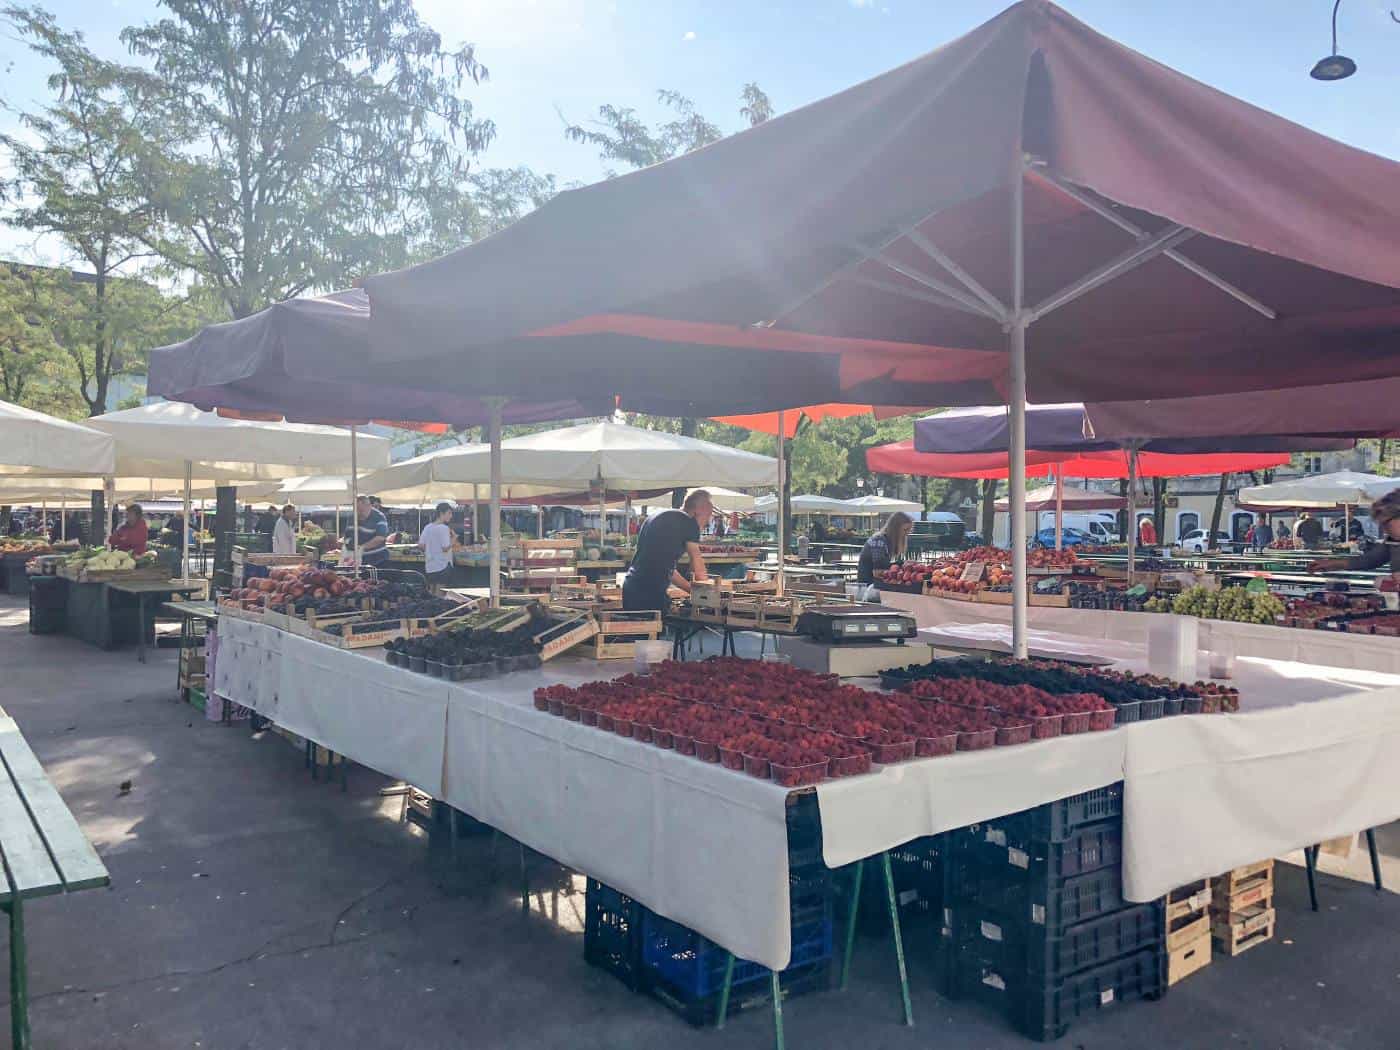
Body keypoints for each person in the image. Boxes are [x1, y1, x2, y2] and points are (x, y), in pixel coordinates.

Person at [622, 489, 712, 612]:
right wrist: (708, 595)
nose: (708, 522)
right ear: (699, 510)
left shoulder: (659, 516)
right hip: (650, 593)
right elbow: (698, 564)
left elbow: (667, 569)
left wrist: (691, 590)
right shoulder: (690, 523)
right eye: (708, 515)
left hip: (631, 588)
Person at [1311, 491, 1400, 578]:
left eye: (1386, 523)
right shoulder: (1393, 540)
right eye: (1381, 524)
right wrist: (1332, 563)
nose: (1384, 529)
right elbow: (1370, 560)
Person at [857, 511, 914, 585]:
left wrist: (904, 565)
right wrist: (901, 566)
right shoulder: (879, 541)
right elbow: (877, 572)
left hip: (875, 584)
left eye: (909, 530)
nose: (907, 533)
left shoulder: (886, 541)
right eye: (905, 530)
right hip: (869, 586)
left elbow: (884, 566)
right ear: (895, 529)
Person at [343, 494, 390, 566]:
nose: (358, 513)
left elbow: (380, 538)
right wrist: (348, 546)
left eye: (361, 510)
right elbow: (347, 536)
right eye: (356, 509)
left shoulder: (379, 517)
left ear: (369, 506)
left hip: (378, 559)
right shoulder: (351, 517)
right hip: (359, 559)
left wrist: (362, 547)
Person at [419, 502, 457, 585]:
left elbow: (421, 545)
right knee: (440, 593)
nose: (451, 516)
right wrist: (453, 540)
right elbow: (445, 548)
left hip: (430, 566)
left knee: (431, 593)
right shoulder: (444, 528)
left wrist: (431, 551)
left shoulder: (428, 527)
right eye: (449, 513)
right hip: (442, 565)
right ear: (441, 513)